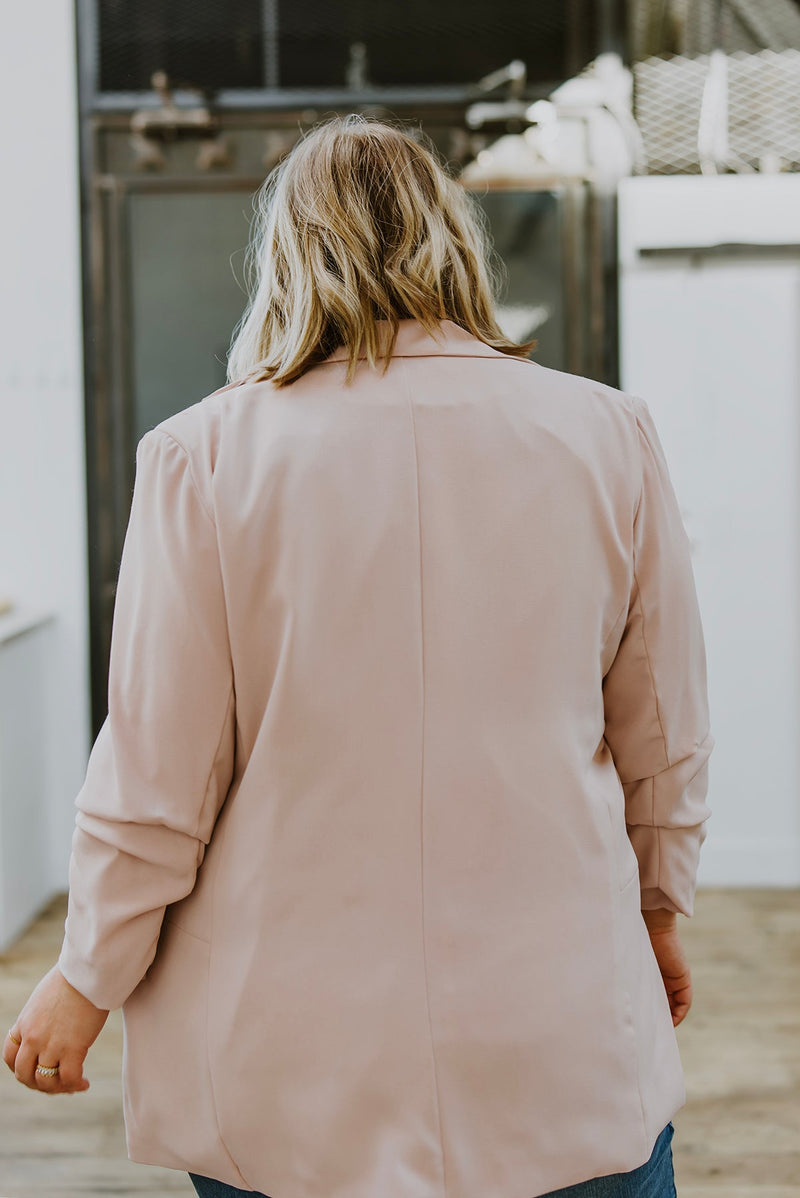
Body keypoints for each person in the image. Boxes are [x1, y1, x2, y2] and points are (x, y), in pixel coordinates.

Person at [3, 113, 713, 1198]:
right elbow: (661, 729)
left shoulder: (201, 457)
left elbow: (156, 772)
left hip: (289, 1068)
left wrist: (85, 977)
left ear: (288, 252)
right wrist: (658, 909)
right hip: (558, 1033)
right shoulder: (605, 434)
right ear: (453, 238)